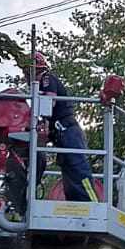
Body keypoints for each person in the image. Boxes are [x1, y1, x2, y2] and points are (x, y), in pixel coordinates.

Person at [33, 51, 99, 202]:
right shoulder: (42, 84)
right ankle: (76, 204)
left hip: (67, 131)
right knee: (70, 174)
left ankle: (92, 204)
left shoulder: (47, 79)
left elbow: (49, 103)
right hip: (62, 133)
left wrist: (39, 122)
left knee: (78, 170)